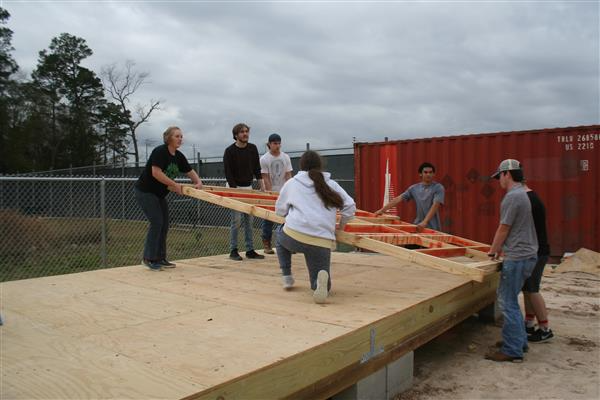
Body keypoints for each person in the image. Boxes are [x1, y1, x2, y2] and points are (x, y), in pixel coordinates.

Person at [274, 150, 356, 304]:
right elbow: (350, 206)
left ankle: (287, 277)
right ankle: (319, 283)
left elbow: (279, 210)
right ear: (320, 165)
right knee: (321, 282)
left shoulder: (292, 183)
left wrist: (290, 213)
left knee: (279, 235)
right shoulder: (330, 184)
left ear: (301, 165)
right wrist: (341, 227)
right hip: (321, 241)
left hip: (294, 235)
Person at [485, 159, 538, 363]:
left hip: (517, 257)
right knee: (512, 300)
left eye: (499, 176)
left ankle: (513, 350)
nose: (499, 180)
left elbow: (504, 228)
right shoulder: (523, 194)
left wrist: (493, 251)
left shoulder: (512, 197)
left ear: (507, 174)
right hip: (526, 255)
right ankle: (519, 340)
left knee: (507, 302)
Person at [134, 126, 203, 271]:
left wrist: (198, 182)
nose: (180, 139)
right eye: (177, 136)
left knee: (165, 224)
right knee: (157, 221)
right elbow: (156, 173)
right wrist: (175, 185)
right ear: (168, 138)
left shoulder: (178, 156)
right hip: (146, 191)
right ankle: (148, 258)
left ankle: (160, 258)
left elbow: (189, 171)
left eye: (181, 136)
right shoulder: (160, 151)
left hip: (159, 194)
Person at [223, 123, 266, 261]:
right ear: (236, 135)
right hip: (234, 188)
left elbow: (257, 169)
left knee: (249, 220)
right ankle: (233, 250)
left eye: (246, 131)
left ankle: (250, 250)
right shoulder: (229, 151)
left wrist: (262, 186)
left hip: (249, 188)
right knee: (236, 221)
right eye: (242, 132)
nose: (245, 134)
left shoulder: (252, 149)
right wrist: (234, 190)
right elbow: (228, 172)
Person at [523, 182, 554, 342]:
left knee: (533, 289)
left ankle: (545, 329)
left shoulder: (527, 200)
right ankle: (529, 323)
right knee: (528, 289)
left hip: (536, 252)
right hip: (535, 250)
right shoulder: (531, 197)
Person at [375, 162, 444, 232]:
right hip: (418, 225)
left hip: (433, 227)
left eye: (430, 172)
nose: (428, 174)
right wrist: (381, 210)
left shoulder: (438, 188)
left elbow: (435, 205)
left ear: (433, 174)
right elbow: (398, 199)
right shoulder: (414, 188)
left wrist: (425, 222)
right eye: (425, 172)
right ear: (420, 174)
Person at [260, 133, 293, 254]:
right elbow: (265, 177)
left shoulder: (286, 157)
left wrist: (290, 190)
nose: (277, 146)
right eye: (275, 143)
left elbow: (288, 175)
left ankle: (288, 244)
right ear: (269, 144)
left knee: (288, 219)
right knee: (268, 218)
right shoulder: (265, 159)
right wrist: (271, 193)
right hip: (272, 191)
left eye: (279, 143)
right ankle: (266, 243)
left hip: (285, 192)